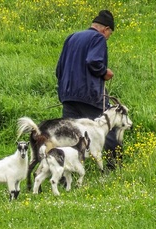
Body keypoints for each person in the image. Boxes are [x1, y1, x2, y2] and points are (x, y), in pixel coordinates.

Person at [55, 10, 120, 168]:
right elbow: (93, 61)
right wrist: (104, 72)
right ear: (105, 29)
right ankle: (114, 167)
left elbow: (59, 69)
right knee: (110, 125)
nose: (107, 37)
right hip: (90, 95)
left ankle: (65, 172)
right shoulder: (98, 38)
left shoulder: (72, 37)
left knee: (70, 135)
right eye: (109, 34)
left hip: (68, 96)